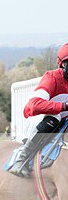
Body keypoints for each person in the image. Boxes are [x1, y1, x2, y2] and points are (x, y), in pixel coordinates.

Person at [7, 43, 68, 176]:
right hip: (41, 119)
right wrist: (63, 106)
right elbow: (33, 105)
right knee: (55, 117)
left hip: (64, 122)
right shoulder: (52, 78)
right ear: (63, 64)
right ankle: (21, 159)